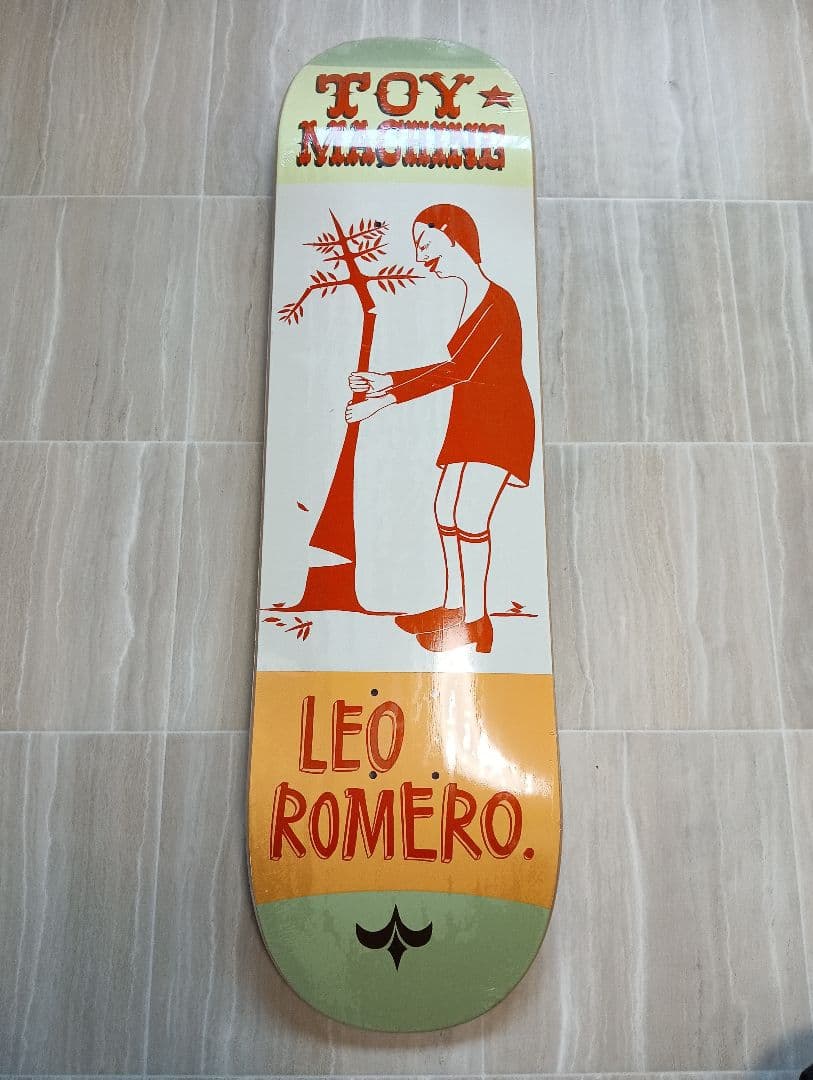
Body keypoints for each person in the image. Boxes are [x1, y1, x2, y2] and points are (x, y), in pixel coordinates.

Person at [345, 203, 534, 655]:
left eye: (424, 243)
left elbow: (460, 368)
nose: (419, 255)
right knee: (445, 509)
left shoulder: (498, 301)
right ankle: (453, 608)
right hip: (471, 417)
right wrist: (386, 381)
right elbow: (457, 367)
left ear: (453, 237)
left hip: (502, 420)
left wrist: (385, 396)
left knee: (469, 515)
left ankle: (477, 622)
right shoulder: (472, 296)